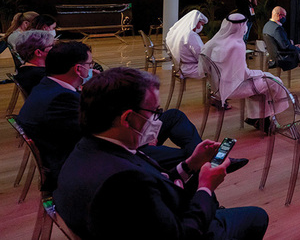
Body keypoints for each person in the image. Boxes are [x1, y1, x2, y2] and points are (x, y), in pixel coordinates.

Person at [54, 67, 269, 240]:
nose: (157, 119)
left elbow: (154, 186)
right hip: (181, 225)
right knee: (257, 216)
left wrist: (190, 165)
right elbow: (182, 233)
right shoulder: (126, 181)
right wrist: (205, 188)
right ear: (127, 118)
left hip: (146, 222)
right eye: (154, 112)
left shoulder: (89, 147)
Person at [17, 42, 217, 192]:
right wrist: (143, 136)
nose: (92, 68)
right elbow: (100, 130)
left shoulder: (48, 87)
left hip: (88, 148)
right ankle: (205, 179)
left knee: (173, 116)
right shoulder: (61, 99)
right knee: (190, 160)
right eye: (89, 63)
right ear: (78, 69)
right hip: (99, 156)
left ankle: (207, 156)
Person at [202, 13, 290, 128]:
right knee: (273, 82)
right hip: (233, 88)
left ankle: (257, 118)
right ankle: (265, 121)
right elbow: (245, 74)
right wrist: (260, 73)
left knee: (265, 81)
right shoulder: (237, 45)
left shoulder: (212, 42)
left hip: (216, 87)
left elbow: (204, 67)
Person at [263, 6, 300, 86]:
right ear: (279, 15)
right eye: (284, 16)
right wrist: (297, 48)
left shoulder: (267, 26)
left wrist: (293, 46)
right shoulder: (277, 28)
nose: (285, 18)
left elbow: (281, 44)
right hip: (283, 57)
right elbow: (285, 47)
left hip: (274, 56)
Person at [165, 9, 208, 79]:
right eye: (201, 24)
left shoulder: (176, 33)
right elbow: (201, 55)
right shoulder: (191, 35)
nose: (201, 27)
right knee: (219, 68)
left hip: (180, 67)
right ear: (196, 22)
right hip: (191, 69)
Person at [12, 30, 53, 96]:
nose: (54, 48)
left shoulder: (24, 69)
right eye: (52, 46)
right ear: (38, 53)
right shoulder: (41, 76)